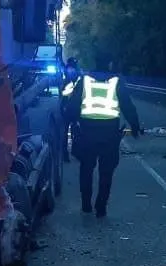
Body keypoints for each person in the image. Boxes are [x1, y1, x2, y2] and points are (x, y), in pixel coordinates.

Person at [62, 70, 142, 218]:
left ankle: (86, 205)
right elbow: (127, 106)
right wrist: (135, 126)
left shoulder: (84, 81)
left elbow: (73, 107)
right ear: (110, 65)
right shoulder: (116, 82)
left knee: (86, 169)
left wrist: (69, 121)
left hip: (87, 133)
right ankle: (101, 207)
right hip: (110, 135)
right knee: (106, 172)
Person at [59, 58, 82, 162]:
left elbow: (62, 92)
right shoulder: (78, 77)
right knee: (74, 129)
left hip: (67, 107)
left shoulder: (66, 74)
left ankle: (66, 154)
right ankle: (73, 152)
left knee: (66, 130)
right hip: (74, 108)